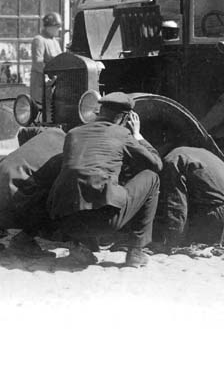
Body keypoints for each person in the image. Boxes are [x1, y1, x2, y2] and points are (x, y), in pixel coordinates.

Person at [47, 92, 162, 268]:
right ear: (124, 119)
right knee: (152, 178)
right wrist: (138, 135)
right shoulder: (122, 133)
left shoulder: (73, 133)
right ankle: (136, 251)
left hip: (66, 222)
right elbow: (156, 164)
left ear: (99, 112)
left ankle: (78, 245)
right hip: (106, 221)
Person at [0, 127, 66, 257]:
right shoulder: (70, 151)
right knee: (54, 198)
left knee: (26, 185)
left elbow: (23, 132)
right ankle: (23, 240)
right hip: (8, 207)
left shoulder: (52, 132)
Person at [154, 146, 224, 247]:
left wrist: (172, 240)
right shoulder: (195, 151)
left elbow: (176, 206)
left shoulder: (171, 161)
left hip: (217, 217)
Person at [29, 12, 63, 105]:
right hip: (41, 86)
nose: (59, 29)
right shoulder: (39, 40)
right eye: (57, 26)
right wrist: (52, 73)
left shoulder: (54, 41)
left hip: (52, 85)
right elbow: (38, 63)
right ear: (49, 26)